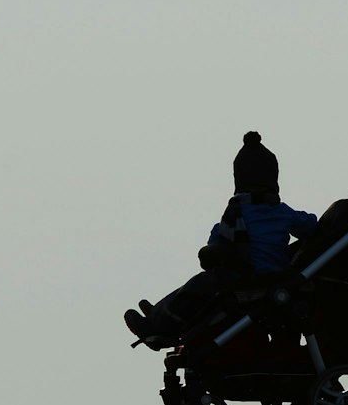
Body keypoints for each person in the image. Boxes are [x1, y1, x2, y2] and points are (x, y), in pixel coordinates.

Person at [124, 131, 317, 345]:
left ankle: (160, 321)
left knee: (198, 285)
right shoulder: (283, 212)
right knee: (205, 286)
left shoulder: (235, 213)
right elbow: (310, 225)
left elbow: (215, 243)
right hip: (277, 278)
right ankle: (160, 314)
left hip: (245, 282)